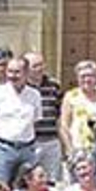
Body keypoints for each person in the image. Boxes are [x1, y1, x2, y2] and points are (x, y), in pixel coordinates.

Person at [0, 57, 40, 187]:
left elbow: (35, 121)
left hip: (27, 149)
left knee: (29, 187)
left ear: (26, 73)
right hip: (3, 149)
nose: (13, 76)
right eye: (10, 71)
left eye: (17, 72)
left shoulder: (34, 95)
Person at [23, 53, 64, 181]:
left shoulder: (54, 85)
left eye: (41, 64)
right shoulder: (22, 88)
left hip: (51, 141)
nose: (40, 68)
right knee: (30, 179)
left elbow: (59, 112)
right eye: (35, 66)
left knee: (52, 180)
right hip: (31, 142)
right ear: (27, 69)